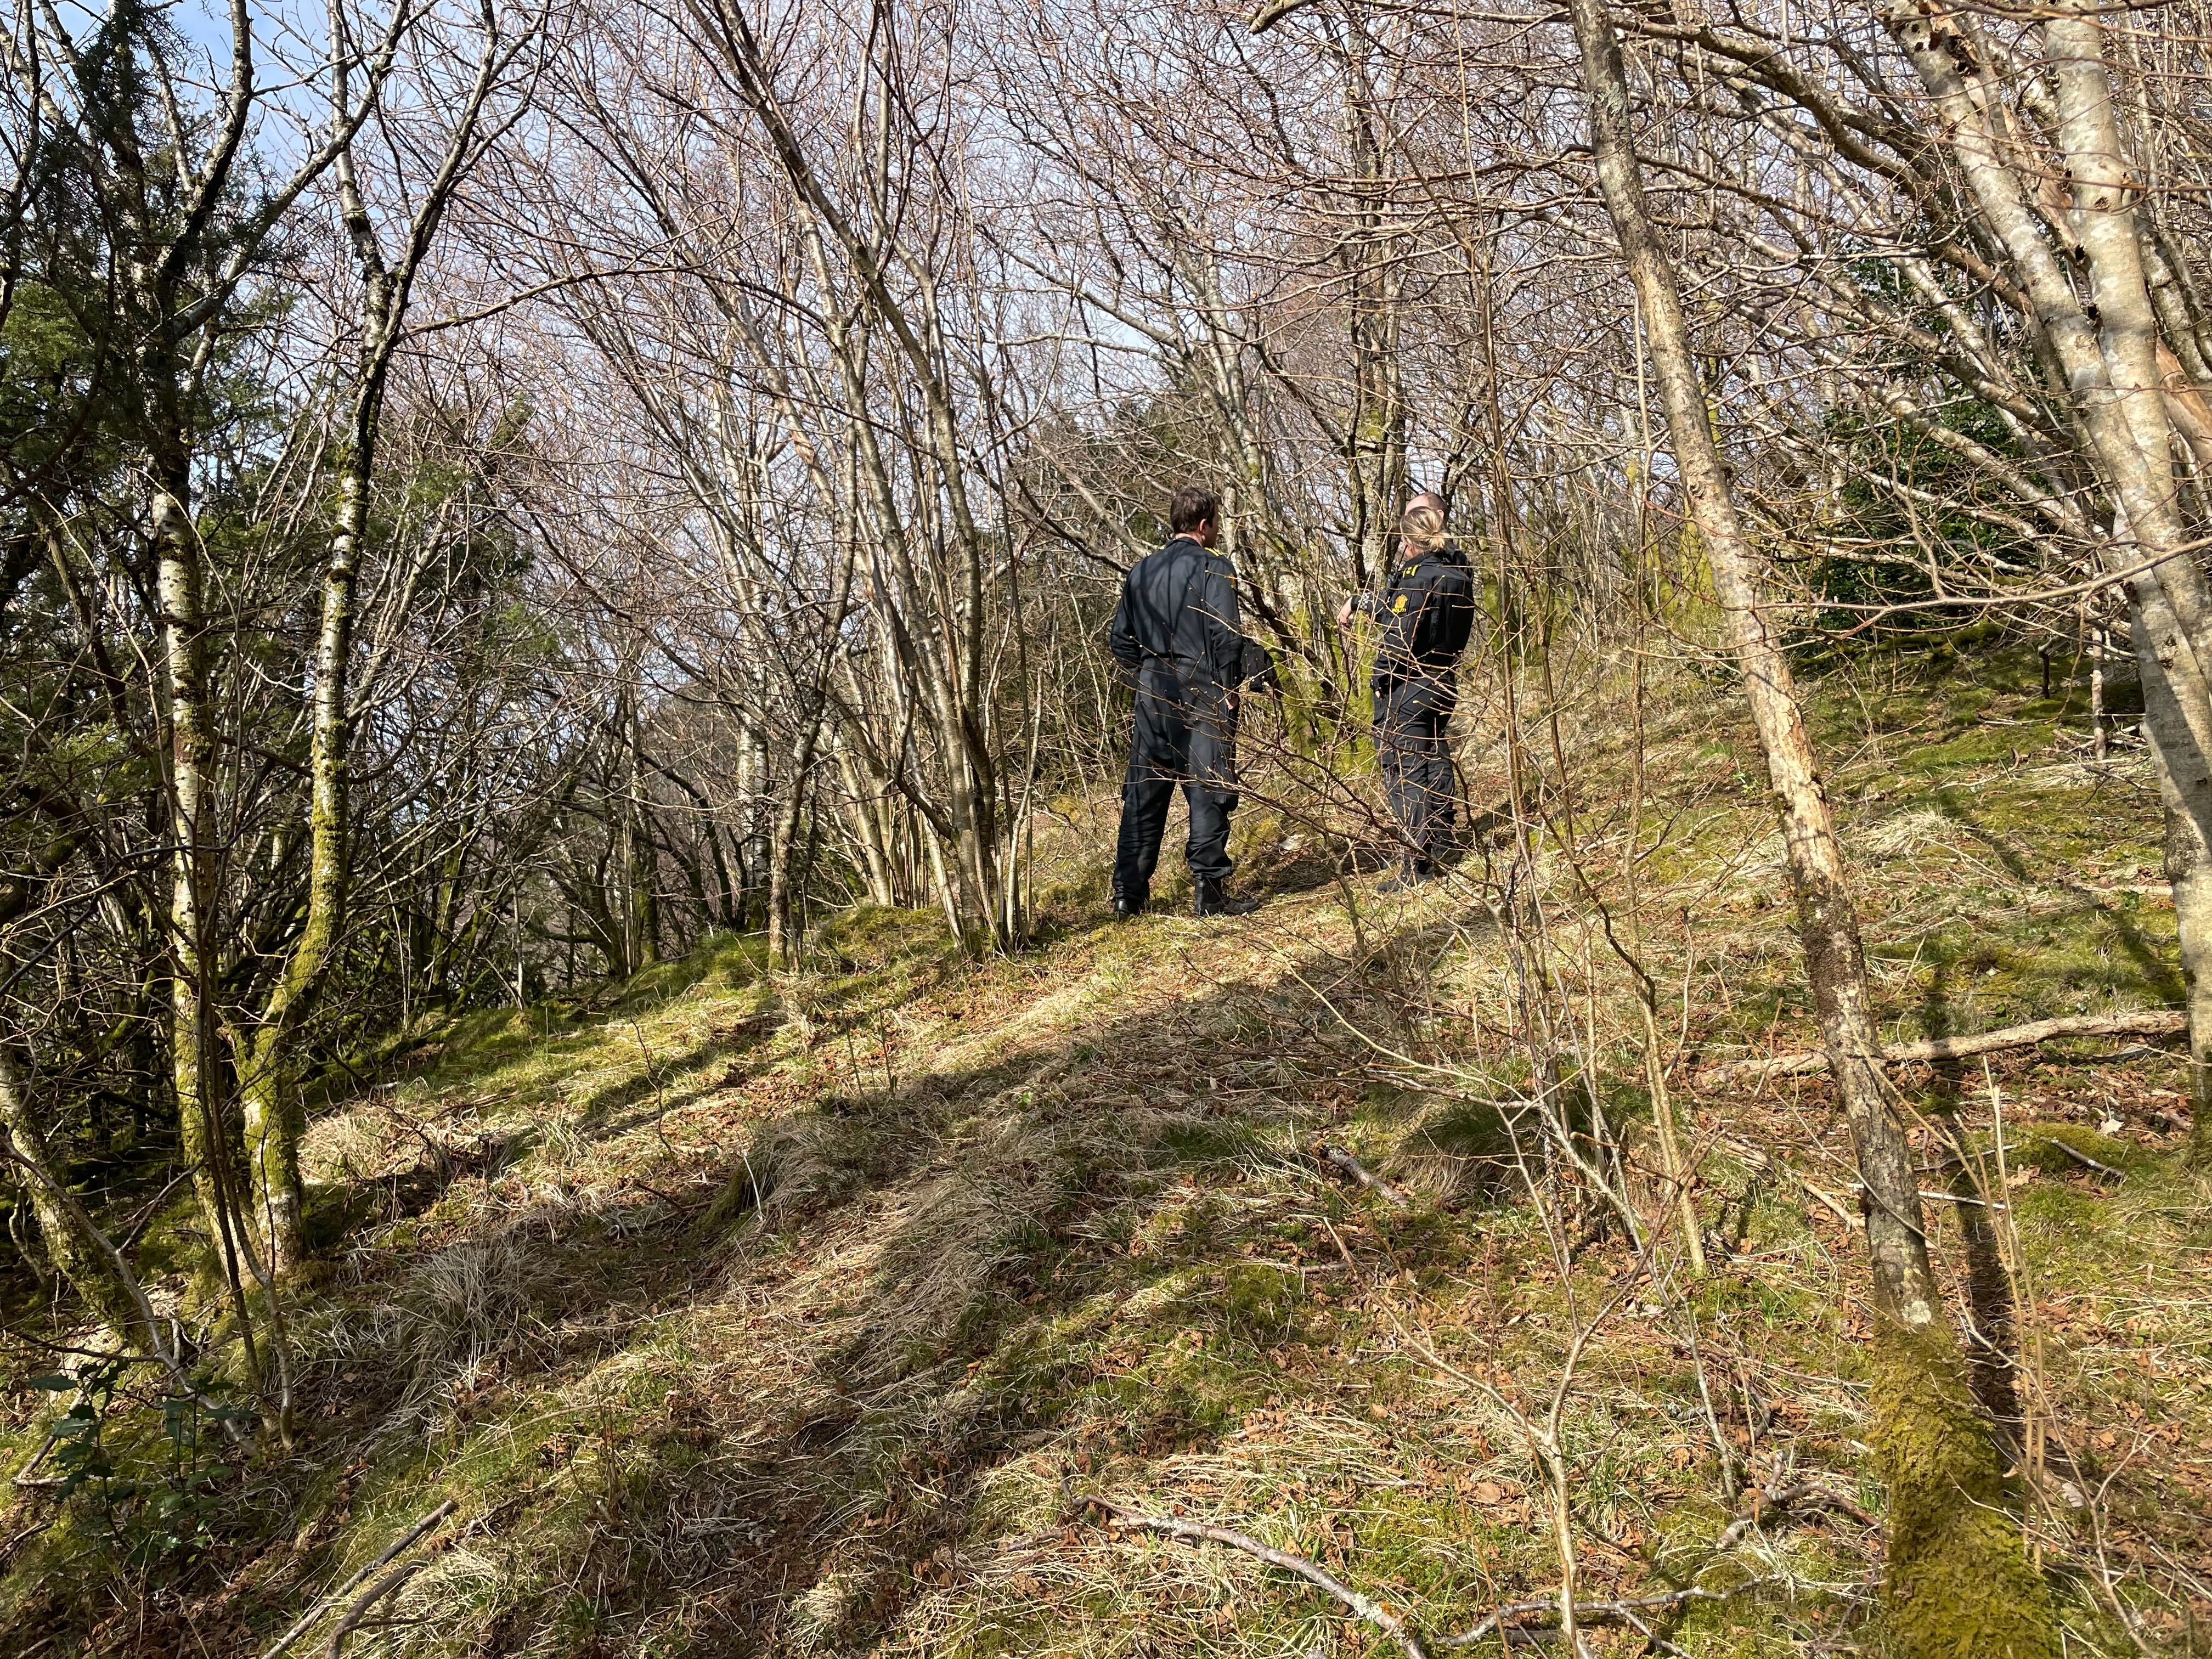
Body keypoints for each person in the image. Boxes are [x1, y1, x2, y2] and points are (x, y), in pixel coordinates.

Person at [1108, 486, 1278, 919]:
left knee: (1144, 793)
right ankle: (1211, 893)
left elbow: (1119, 639)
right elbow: (1225, 634)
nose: (1217, 530)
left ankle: (1128, 897)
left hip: (1152, 692)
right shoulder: (1214, 566)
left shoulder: (1140, 571)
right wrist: (1229, 689)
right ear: (1205, 525)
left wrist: (1149, 672)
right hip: (1201, 687)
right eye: (1216, 524)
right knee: (1208, 789)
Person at [1336, 493, 1476, 891]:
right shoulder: (1457, 574)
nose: (1400, 546)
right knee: (1433, 757)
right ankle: (1441, 839)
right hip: (1443, 679)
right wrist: (1364, 602)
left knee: (1404, 772)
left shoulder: (1418, 579)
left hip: (1409, 687)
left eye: (1402, 540)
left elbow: (1403, 635)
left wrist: (1381, 680)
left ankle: (1417, 862)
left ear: (1412, 541)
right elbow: (1402, 610)